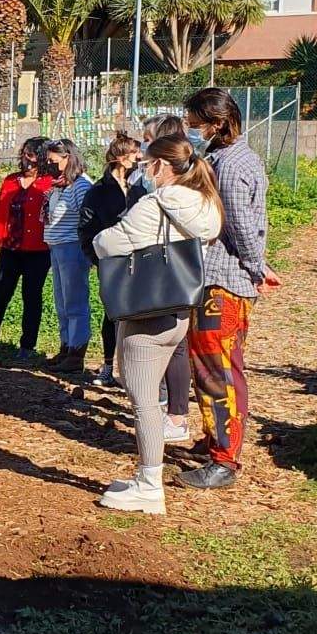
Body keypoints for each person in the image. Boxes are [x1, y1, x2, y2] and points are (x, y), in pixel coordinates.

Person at [94, 133, 224, 514]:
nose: (144, 169)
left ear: (162, 166)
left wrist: (99, 238)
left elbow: (113, 242)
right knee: (148, 399)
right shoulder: (204, 204)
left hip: (145, 312)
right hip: (178, 311)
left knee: (144, 403)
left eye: (148, 163)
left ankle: (149, 485)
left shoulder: (155, 204)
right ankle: (145, 479)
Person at [179, 86, 280, 490]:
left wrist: (257, 267)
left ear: (217, 123)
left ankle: (225, 459)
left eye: (195, 123)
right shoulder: (221, 157)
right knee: (207, 368)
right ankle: (215, 438)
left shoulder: (232, 165)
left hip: (224, 283)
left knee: (219, 370)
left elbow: (240, 225)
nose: (190, 128)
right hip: (214, 279)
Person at [132, 113, 194, 439]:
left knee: (174, 343)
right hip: (151, 266)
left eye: (147, 139)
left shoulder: (177, 190)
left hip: (169, 269)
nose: (142, 147)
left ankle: (176, 416)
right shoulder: (147, 181)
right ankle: (156, 406)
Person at [0, 138, 55, 360]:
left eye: (32, 156)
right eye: (25, 154)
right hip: (11, 248)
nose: (27, 160)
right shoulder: (10, 181)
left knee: (31, 296)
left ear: (43, 158)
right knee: (0, 293)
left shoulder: (49, 183)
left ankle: (27, 346)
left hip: (38, 250)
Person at [77, 131, 140, 388]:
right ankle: (107, 366)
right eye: (135, 153)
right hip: (111, 261)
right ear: (122, 158)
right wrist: (97, 257)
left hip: (139, 261)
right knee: (111, 313)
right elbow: (86, 227)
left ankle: (132, 370)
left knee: (136, 313)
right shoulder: (98, 191)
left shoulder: (138, 189)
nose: (139, 158)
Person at [42, 139, 92, 374]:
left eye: (54, 161)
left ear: (68, 158)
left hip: (73, 247)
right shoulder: (60, 185)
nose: (50, 165)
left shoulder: (80, 185)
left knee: (75, 301)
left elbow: (87, 217)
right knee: (62, 302)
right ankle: (66, 346)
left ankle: (76, 351)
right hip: (57, 246)